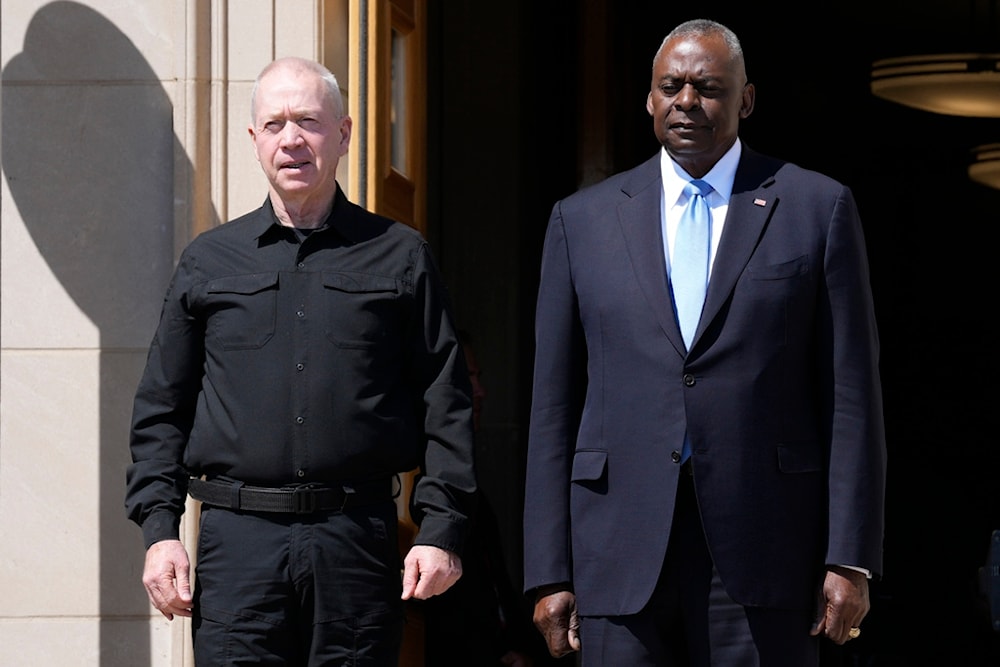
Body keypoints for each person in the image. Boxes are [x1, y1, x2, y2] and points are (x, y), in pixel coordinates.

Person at [523, 18, 886, 666]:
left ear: (746, 100)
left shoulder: (815, 208)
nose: (687, 101)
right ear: (649, 99)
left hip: (766, 547)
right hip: (618, 551)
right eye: (672, 86)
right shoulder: (580, 220)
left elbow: (852, 396)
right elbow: (553, 404)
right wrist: (548, 569)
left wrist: (849, 554)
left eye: (708, 87)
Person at [125, 56, 476, 665]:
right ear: (255, 139)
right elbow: (162, 407)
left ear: (342, 135)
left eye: (309, 121)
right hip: (237, 549)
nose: (292, 138)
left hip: (357, 542)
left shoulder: (399, 256)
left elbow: (446, 400)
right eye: (276, 123)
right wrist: (160, 532)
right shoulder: (209, 262)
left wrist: (441, 527)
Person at [421, 331, 542, 667]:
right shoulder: (424, 493)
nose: (479, 391)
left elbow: (495, 588)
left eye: (477, 377)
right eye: (467, 377)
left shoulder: (476, 494)